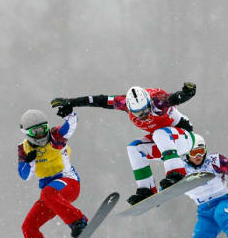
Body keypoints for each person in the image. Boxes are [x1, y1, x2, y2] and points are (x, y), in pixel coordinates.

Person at [51, 83, 197, 205]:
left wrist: (187, 92)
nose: (144, 115)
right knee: (134, 148)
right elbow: (98, 100)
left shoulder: (158, 101)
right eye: (138, 113)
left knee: (160, 133)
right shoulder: (124, 103)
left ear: (148, 103)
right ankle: (146, 189)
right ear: (129, 108)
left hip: (184, 137)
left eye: (145, 110)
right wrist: (70, 102)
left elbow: (176, 97)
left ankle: (176, 173)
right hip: (164, 144)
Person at [18, 107, 87, 238]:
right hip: (50, 195)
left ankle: (79, 222)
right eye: (36, 132)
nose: (41, 135)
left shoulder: (56, 136)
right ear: (27, 133)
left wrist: (69, 112)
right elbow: (25, 175)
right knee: (28, 226)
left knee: (48, 193)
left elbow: (70, 126)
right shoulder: (24, 149)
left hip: (68, 183)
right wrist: (30, 162)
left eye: (43, 129)